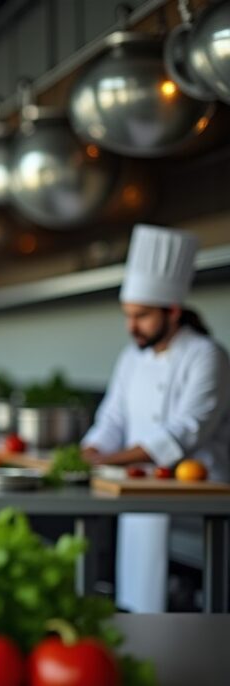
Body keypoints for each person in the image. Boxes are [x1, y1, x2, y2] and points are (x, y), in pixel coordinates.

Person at [82, 224, 230, 613]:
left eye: (142, 316)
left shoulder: (207, 355)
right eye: (128, 315)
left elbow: (186, 431)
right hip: (137, 495)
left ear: (173, 310)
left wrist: (107, 462)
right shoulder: (131, 357)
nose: (131, 327)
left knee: (189, 609)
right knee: (137, 600)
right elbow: (112, 417)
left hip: (196, 508)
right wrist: (92, 448)